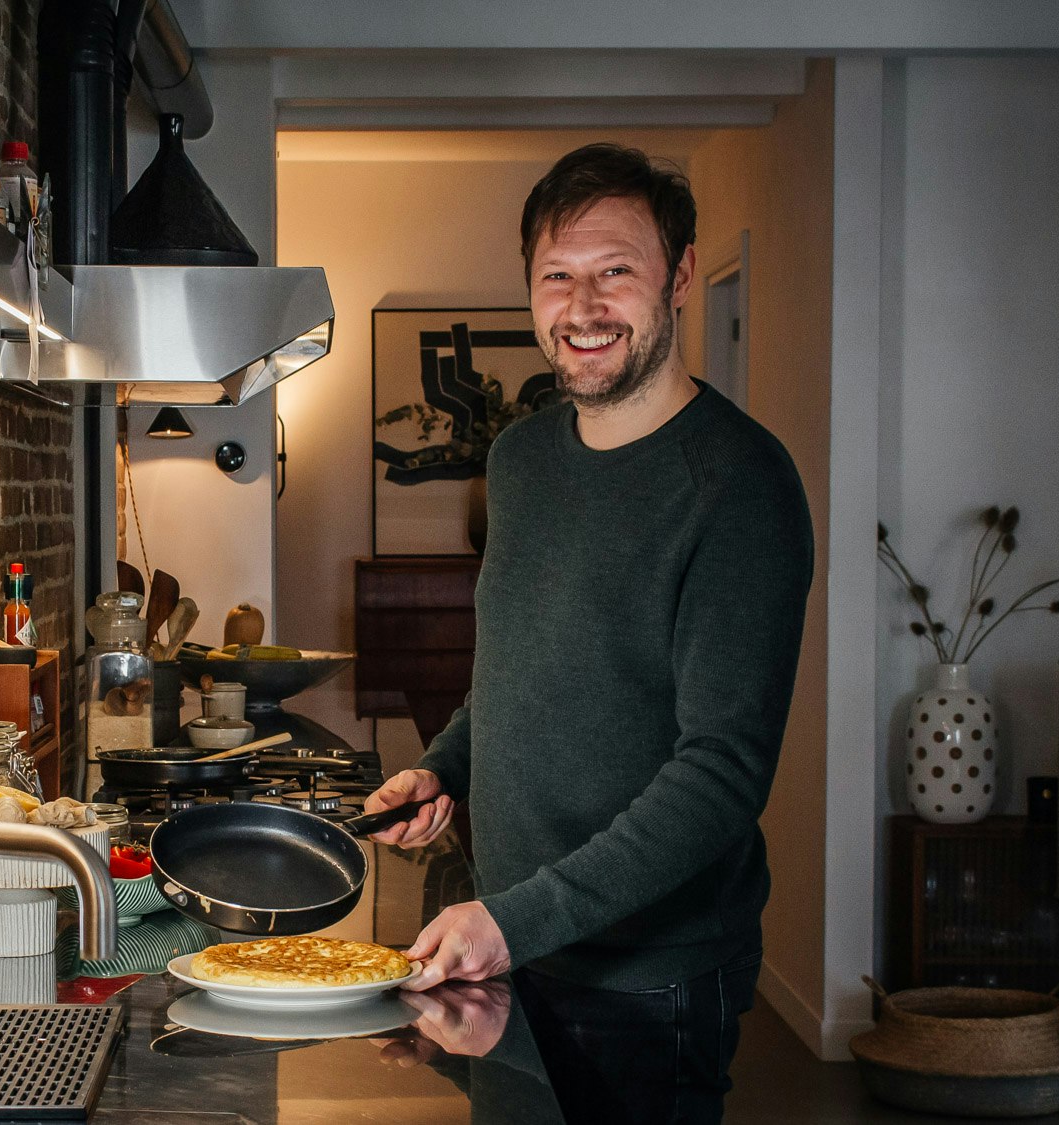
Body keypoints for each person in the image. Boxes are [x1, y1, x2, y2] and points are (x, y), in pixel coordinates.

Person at [364, 143, 813, 1122]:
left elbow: (720, 776)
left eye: (615, 271)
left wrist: (510, 921)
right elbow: (520, 667)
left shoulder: (738, 487)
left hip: (647, 978)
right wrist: (445, 765)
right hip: (514, 944)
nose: (583, 306)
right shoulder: (521, 457)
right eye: (556, 277)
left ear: (681, 275)